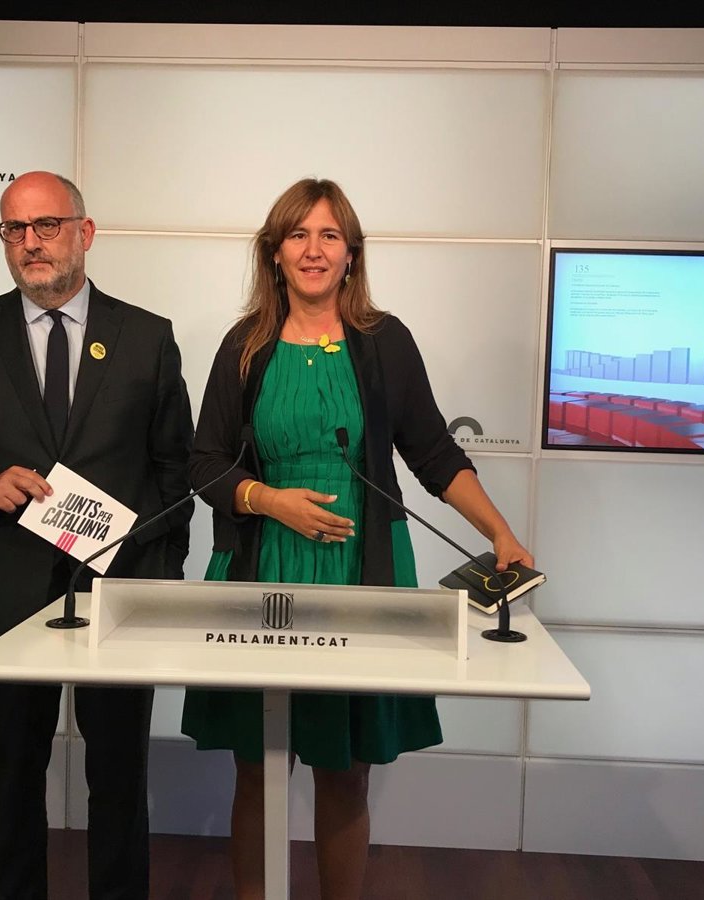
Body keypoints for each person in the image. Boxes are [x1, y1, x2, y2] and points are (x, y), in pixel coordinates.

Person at [180, 177, 533, 900]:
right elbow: (205, 462)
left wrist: (500, 532)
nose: (313, 250)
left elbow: (433, 452)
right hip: (263, 565)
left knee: (345, 771)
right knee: (258, 765)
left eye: (329, 235)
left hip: (361, 571)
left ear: (351, 254)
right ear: (274, 253)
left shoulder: (384, 342)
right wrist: (269, 500)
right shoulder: (244, 345)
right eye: (298, 235)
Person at [0, 171, 193, 900]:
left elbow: (174, 470)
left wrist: (150, 571)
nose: (30, 242)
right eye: (14, 229)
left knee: (119, 774)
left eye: (46, 225)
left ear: (84, 233)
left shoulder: (147, 337)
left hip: (117, 593)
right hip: (7, 587)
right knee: (13, 770)